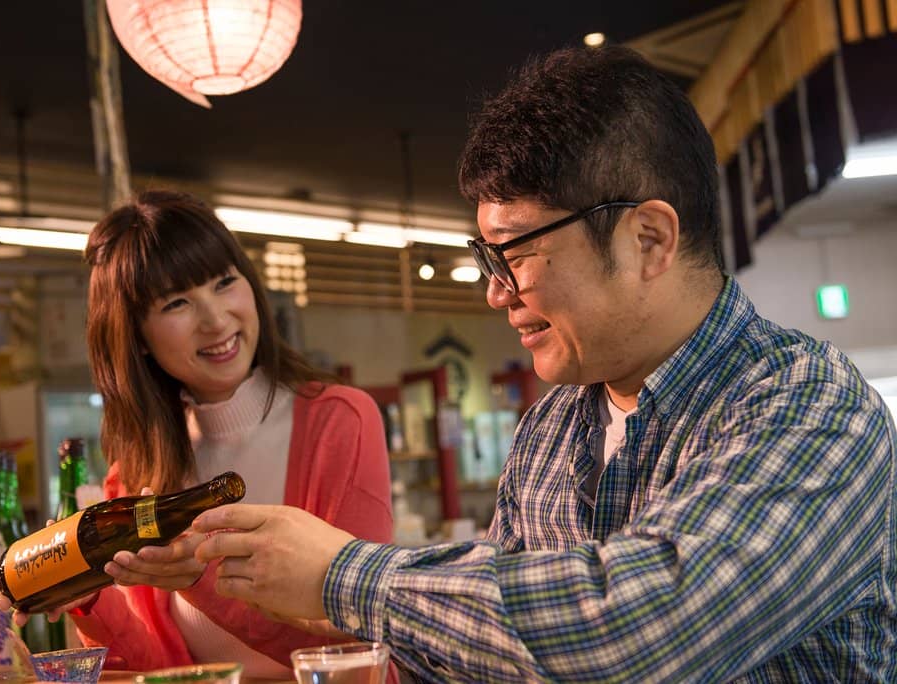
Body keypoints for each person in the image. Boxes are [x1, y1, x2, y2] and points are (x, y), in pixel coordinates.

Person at [190, 46, 897, 682]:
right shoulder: (552, 430)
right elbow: (501, 659)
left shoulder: (812, 406)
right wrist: (240, 572)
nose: (498, 291)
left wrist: (349, 576)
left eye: (517, 253)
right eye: (488, 258)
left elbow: (639, 636)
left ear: (648, 240)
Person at [0, 190, 394, 677]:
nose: (216, 319)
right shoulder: (137, 478)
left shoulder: (340, 422)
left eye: (225, 283)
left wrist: (201, 579)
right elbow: (159, 671)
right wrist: (92, 599)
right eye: (178, 302)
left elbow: (361, 648)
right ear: (137, 337)